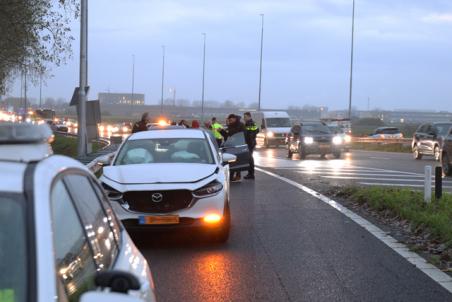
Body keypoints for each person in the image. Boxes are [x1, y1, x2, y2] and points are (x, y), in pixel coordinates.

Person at [221, 114, 245, 181]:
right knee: (231, 160)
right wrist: (221, 131)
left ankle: (238, 175)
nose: (230, 121)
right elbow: (227, 136)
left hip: (238, 145)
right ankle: (231, 176)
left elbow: (241, 134)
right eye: (229, 120)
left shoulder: (241, 125)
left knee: (237, 161)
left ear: (234, 119)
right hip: (231, 145)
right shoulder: (230, 125)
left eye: (231, 120)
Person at [243, 112, 259, 180]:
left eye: (245, 117)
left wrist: (250, 141)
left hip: (250, 143)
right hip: (250, 143)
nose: (244, 118)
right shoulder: (250, 123)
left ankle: (251, 174)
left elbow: (251, 134)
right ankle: (250, 173)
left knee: (250, 158)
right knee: (249, 158)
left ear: (249, 116)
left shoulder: (250, 123)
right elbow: (257, 130)